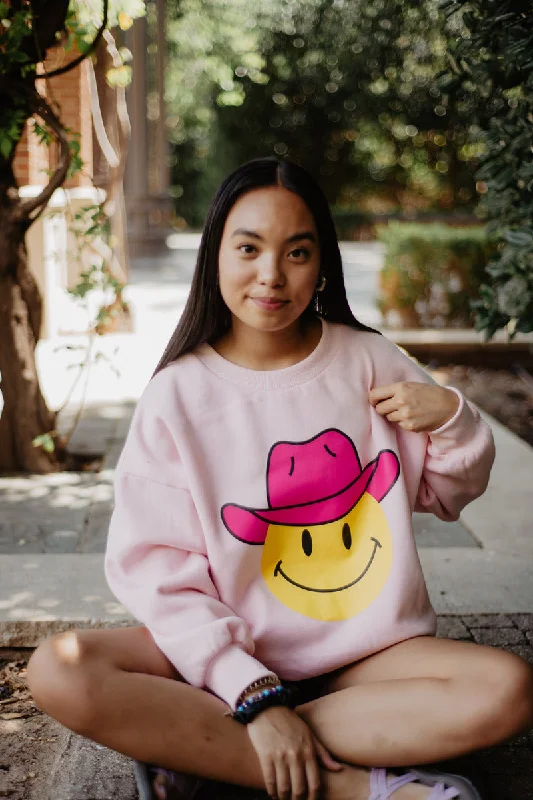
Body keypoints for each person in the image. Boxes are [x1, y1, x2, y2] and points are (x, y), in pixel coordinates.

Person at [27, 158, 533, 800]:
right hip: (228, 660)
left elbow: (448, 491)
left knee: (507, 689)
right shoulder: (176, 397)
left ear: (321, 263)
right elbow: (158, 574)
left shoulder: (369, 360)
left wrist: (453, 420)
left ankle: (208, 750)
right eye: (248, 248)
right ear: (215, 255)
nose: (271, 275)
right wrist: (251, 694)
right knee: (60, 671)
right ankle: (357, 787)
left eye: (297, 251)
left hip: (367, 661)